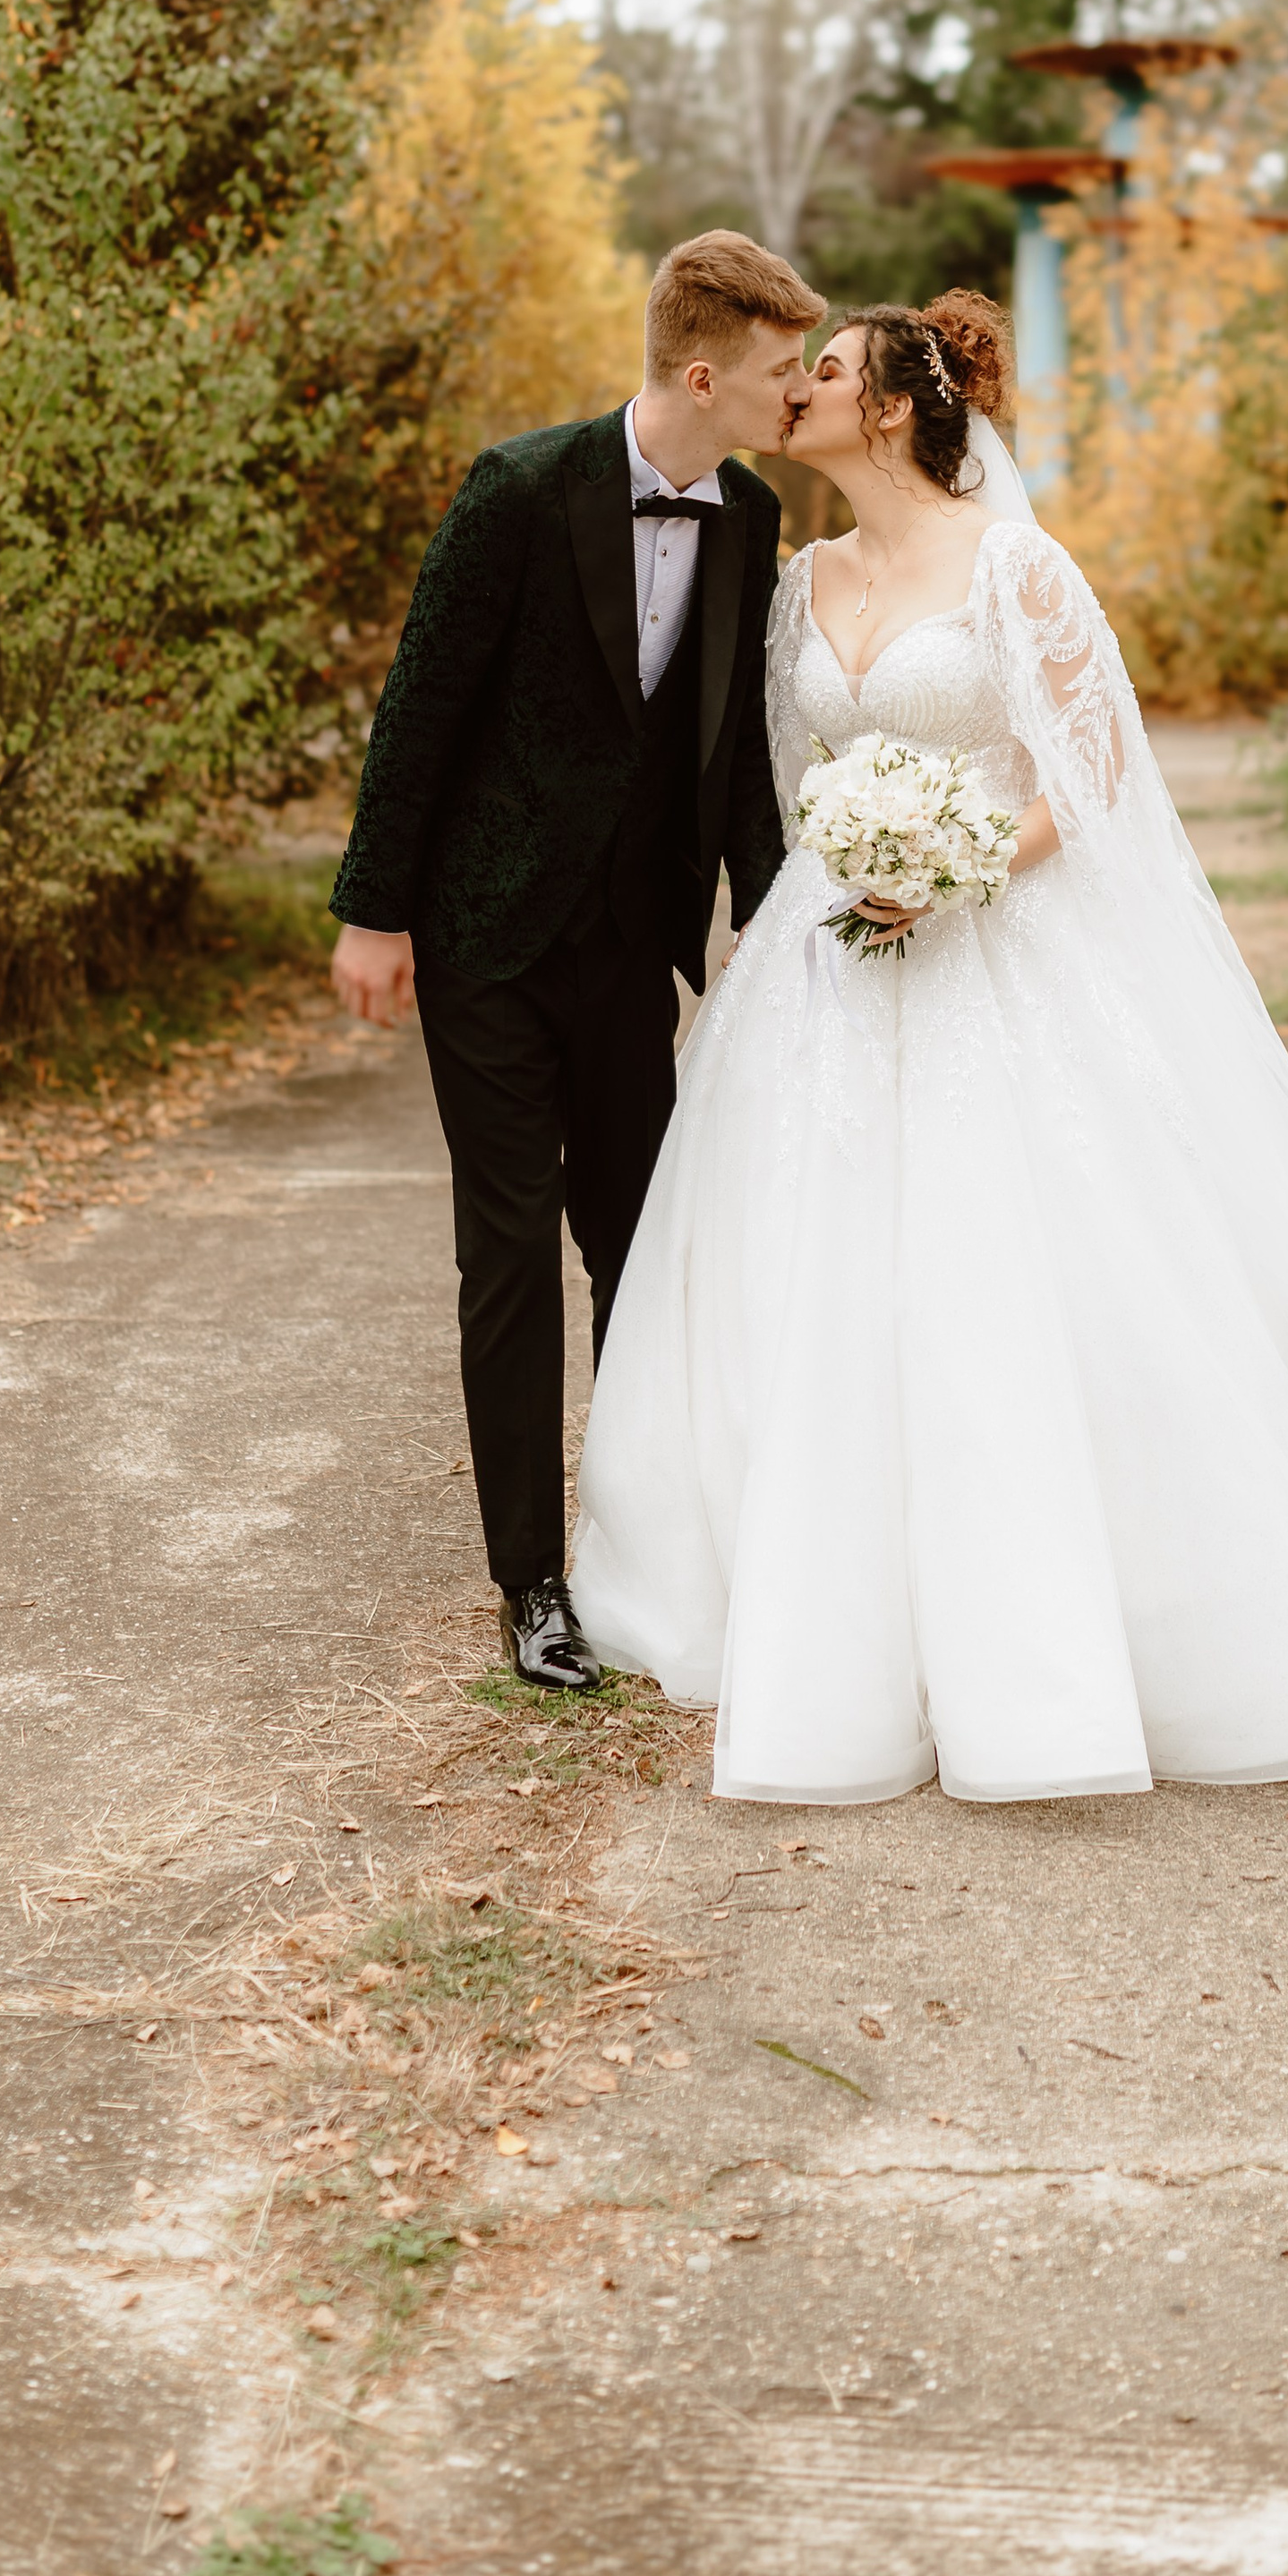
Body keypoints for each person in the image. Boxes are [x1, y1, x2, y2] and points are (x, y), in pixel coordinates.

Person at [570, 290, 1288, 1803]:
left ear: (891, 405)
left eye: (825, 371)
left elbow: (1092, 771)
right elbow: (795, 778)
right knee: (801, 1256)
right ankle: (802, 1579)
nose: (794, 391)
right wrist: (841, 870)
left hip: (993, 942)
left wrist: (956, 864)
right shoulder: (800, 574)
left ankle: (1099, 1590)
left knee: (1017, 1257)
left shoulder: (1017, 565)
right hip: (826, 962)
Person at [328, 229, 825, 1691]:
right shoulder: (519, 490)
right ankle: (530, 1581)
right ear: (703, 375)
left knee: (636, 1245)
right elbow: (421, 704)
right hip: (485, 936)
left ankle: (638, 1544)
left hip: (628, 946)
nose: (800, 392)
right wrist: (375, 912)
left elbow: (733, 746)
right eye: (783, 369)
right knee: (509, 1250)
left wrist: (766, 911)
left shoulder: (749, 515)